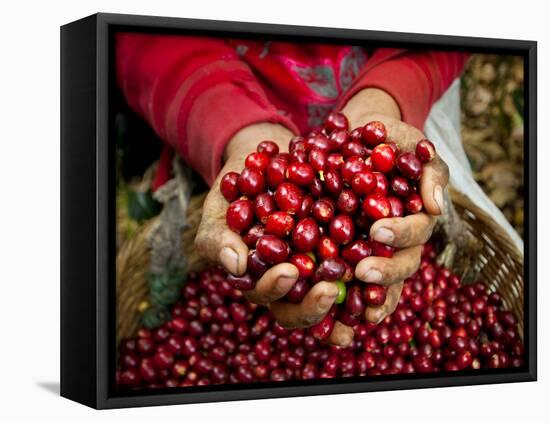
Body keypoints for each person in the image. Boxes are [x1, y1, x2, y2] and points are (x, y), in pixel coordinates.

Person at [116, 33, 469, 346]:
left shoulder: (340, 187)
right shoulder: (299, 197)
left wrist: (389, 96)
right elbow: (139, 35)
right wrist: (236, 130)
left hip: (389, 85)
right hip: (213, 110)